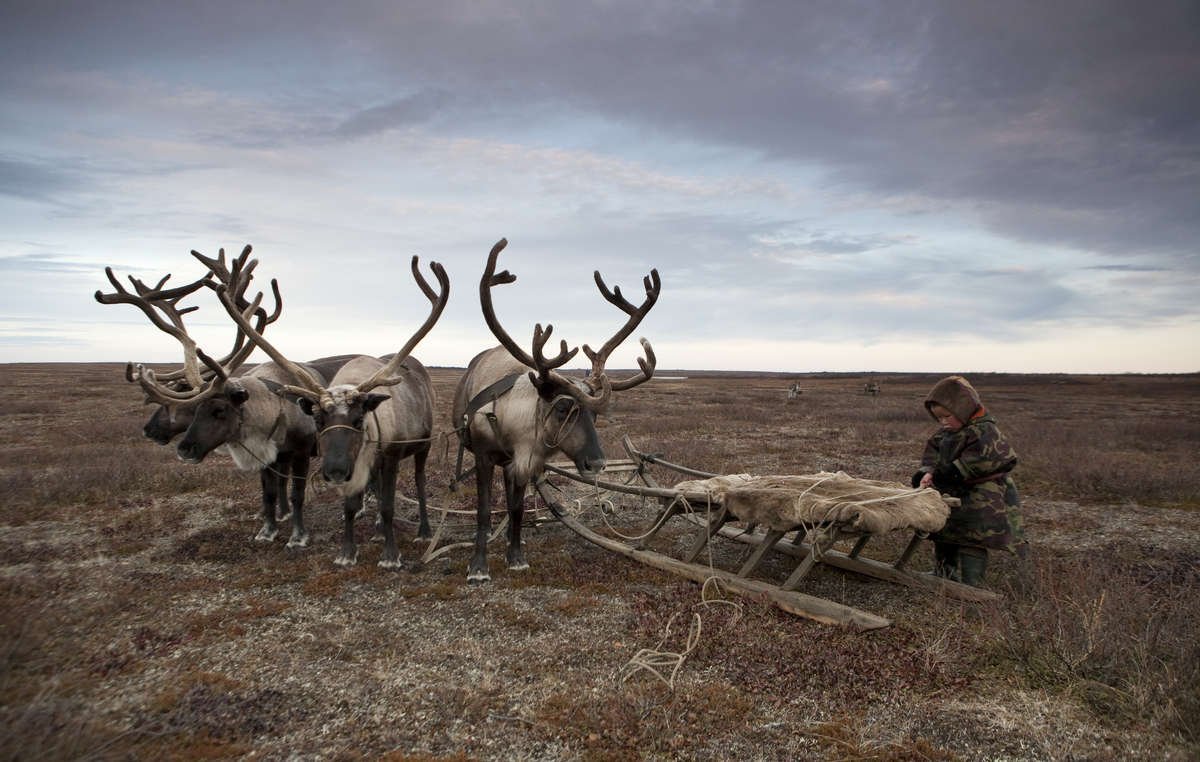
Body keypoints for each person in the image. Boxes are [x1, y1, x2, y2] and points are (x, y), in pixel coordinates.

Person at [911, 375, 1026, 586]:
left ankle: (973, 582)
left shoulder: (985, 431)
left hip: (981, 496)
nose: (943, 422)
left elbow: (987, 459)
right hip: (951, 492)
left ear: (963, 409)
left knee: (973, 537)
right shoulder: (945, 434)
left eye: (947, 416)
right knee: (944, 531)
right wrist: (927, 472)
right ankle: (944, 572)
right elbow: (932, 455)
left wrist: (947, 473)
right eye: (938, 418)